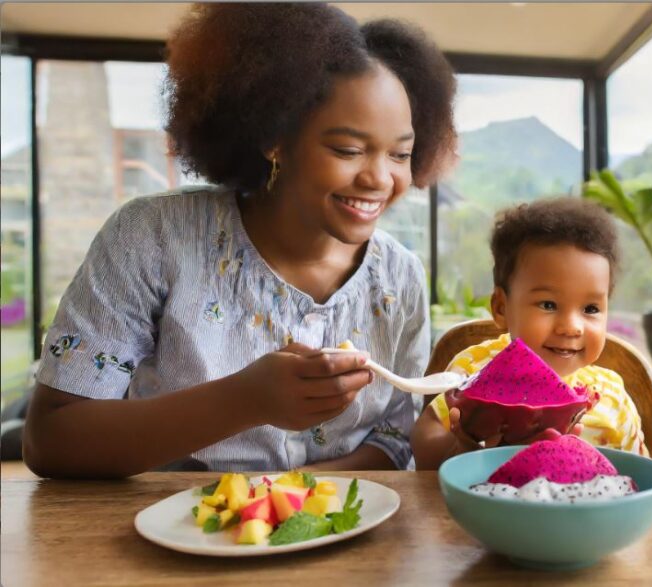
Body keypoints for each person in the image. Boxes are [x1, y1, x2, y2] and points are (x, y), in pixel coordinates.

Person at [23, 3, 457, 478]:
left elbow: (397, 433)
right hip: (166, 535)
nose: (379, 177)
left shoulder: (400, 276)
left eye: (400, 154)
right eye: (348, 150)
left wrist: (294, 498)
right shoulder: (153, 238)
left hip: (346, 532)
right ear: (273, 138)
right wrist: (245, 399)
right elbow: (51, 439)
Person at [412, 197, 648, 470]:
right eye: (548, 305)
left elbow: (640, 471)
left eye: (591, 308)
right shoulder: (474, 368)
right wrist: (460, 450)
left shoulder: (612, 396)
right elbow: (424, 435)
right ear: (501, 308)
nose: (571, 326)